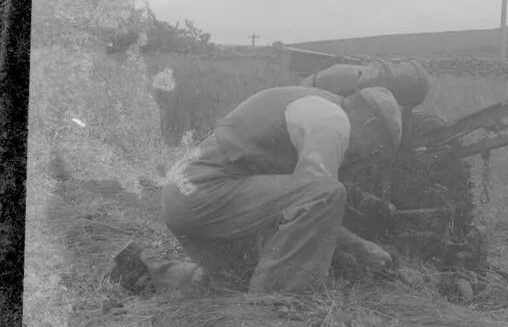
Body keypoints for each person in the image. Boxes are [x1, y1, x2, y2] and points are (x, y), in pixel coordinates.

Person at [158, 84, 403, 294]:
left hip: (187, 197)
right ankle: (274, 305)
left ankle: (150, 270)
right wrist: (361, 248)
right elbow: (317, 200)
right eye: (375, 148)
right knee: (327, 192)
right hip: (204, 194)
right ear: (369, 122)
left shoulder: (314, 101)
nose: (367, 156)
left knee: (237, 283)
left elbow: (291, 201)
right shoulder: (332, 122)